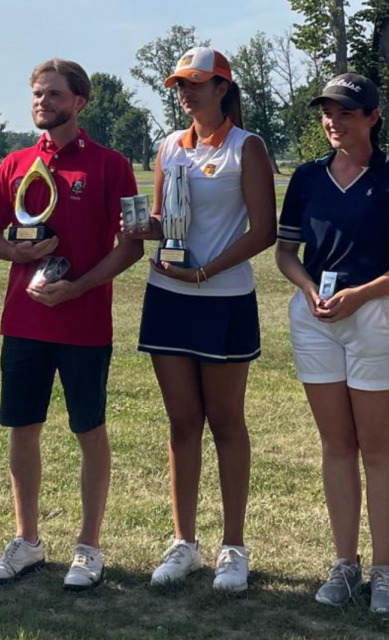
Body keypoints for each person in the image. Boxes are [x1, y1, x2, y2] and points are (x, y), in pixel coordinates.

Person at [0, 58, 141, 591]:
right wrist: (21, 253)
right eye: (36, 94)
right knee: (23, 429)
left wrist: (80, 286)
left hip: (84, 323)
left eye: (53, 94)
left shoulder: (112, 165)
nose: (42, 102)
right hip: (23, 321)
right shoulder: (16, 162)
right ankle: (27, 541)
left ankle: (89, 548)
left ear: (79, 102)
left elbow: (132, 245)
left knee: (88, 430)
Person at [274, 73, 389, 613]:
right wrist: (309, 288)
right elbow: (286, 254)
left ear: (372, 117)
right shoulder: (307, 178)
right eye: (327, 112)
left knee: (377, 445)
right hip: (316, 315)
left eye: (346, 112)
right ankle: (345, 564)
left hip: (377, 314)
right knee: (336, 445)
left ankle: (384, 569)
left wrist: (361, 294)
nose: (334, 121)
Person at [123, 47, 275, 593]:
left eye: (197, 83)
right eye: (180, 85)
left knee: (226, 422)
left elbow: (264, 230)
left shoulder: (246, 147)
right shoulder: (169, 146)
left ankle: (232, 546)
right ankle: (184, 542)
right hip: (168, 293)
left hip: (223, 296)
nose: (185, 92)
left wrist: (207, 271)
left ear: (222, 88)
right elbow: (165, 219)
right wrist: (142, 230)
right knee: (182, 423)